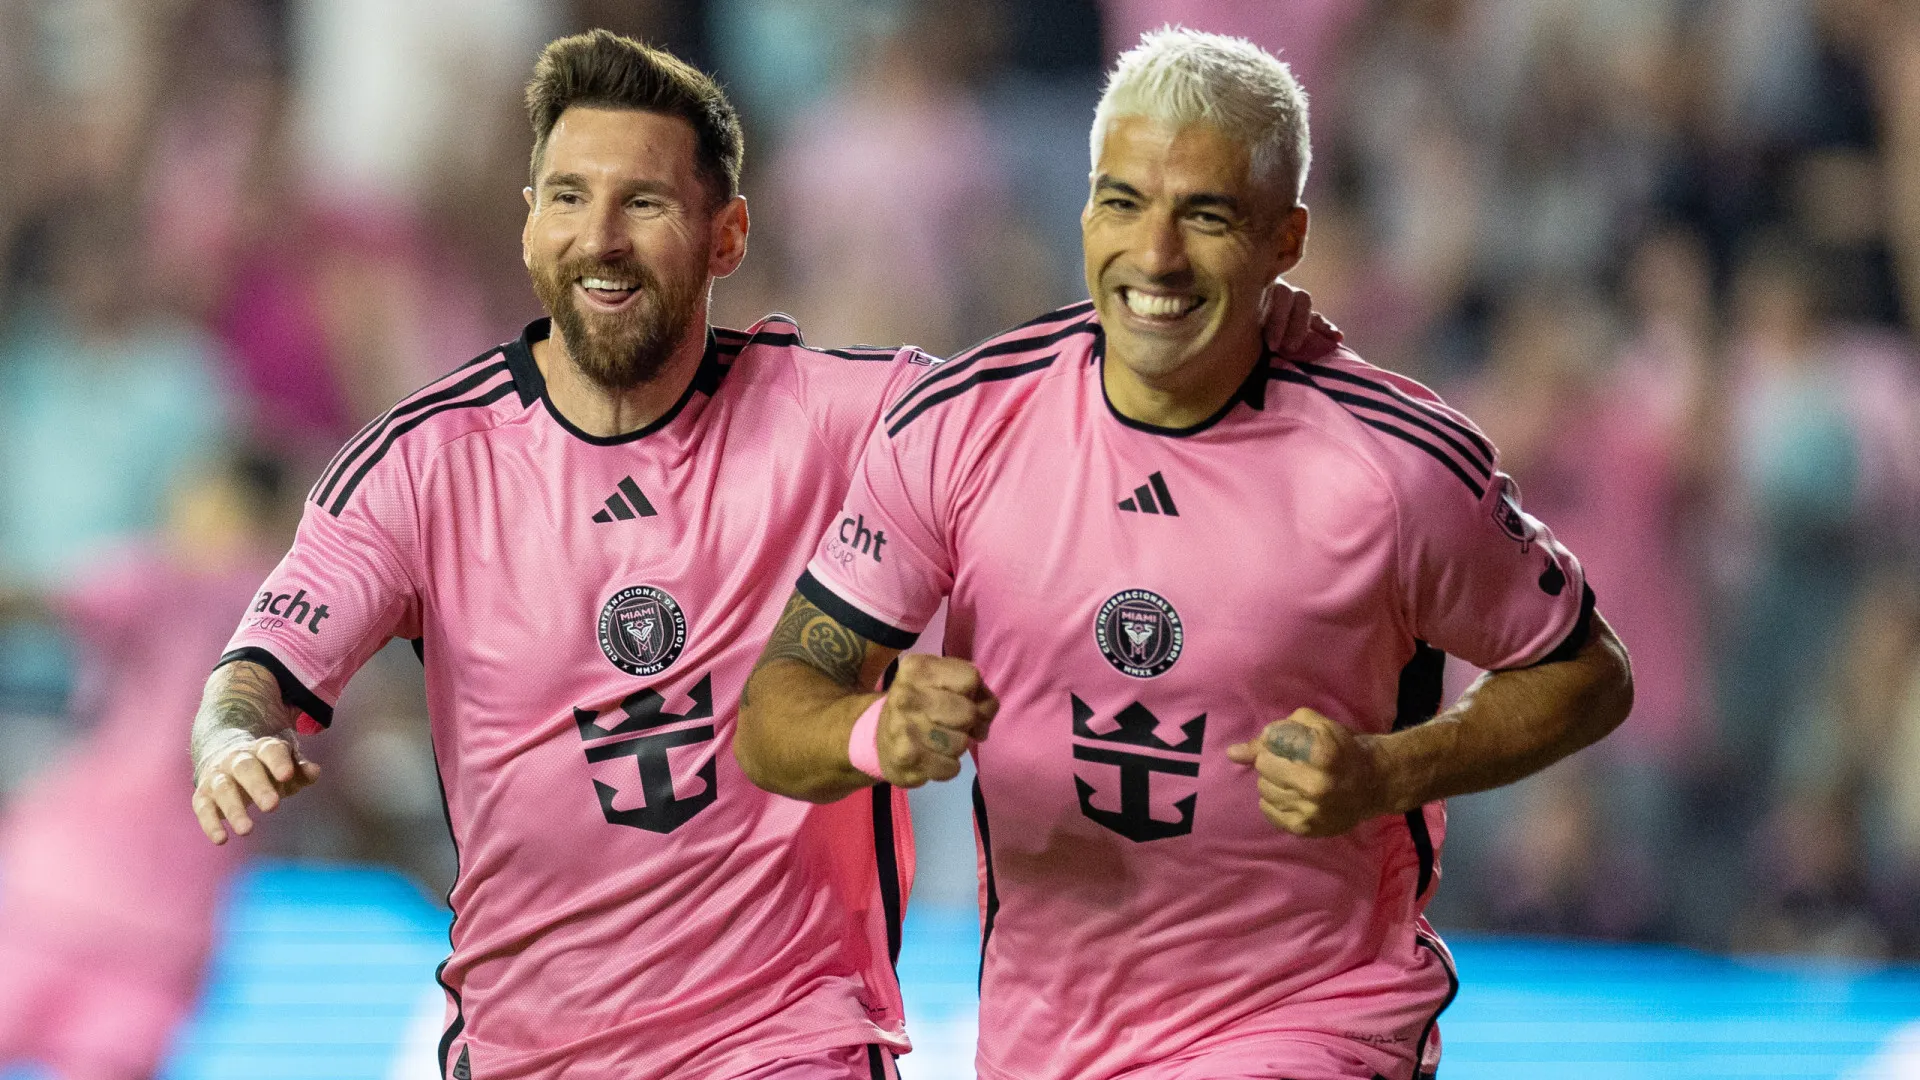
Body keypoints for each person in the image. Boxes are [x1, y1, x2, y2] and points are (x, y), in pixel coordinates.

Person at [185, 29, 1334, 1080]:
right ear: (531, 224)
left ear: (727, 235)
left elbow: (1072, 410)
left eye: (643, 202)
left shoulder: (842, 418)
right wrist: (235, 738)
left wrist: (1235, 333)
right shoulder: (426, 465)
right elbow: (263, 666)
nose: (601, 237)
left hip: (790, 1043)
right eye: (571, 198)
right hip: (528, 1052)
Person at [737, 28, 1634, 1080]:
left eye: (1205, 215)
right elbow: (773, 716)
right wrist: (874, 729)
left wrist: (1390, 770)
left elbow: (1588, 672)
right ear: (1086, 213)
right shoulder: (960, 426)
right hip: (1043, 1044)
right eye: (1123, 202)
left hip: (1316, 1024)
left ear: (1286, 238)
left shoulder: (1396, 468)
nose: (1155, 255)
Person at [0, 453, 281, 1080]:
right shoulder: (324, 627)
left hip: (62, 882)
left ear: (220, 503)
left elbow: (40, 601)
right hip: (172, 922)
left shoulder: (161, 578)